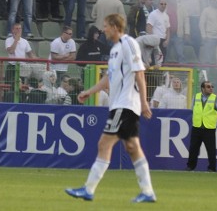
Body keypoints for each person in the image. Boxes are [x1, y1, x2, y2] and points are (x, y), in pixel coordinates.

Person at [66, 13, 157, 203]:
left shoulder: (128, 43)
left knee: (104, 144)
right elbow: (109, 77)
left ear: (115, 27)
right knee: (132, 147)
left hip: (125, 105)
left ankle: (88, 189)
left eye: (106, 26)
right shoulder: (115, 49)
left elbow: (140, 73)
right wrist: (89, 91)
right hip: (121, 105)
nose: (104, 29)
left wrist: (144, 102)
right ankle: (148, 191)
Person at [186, 80, 217, 172]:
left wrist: (212, 120)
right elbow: (193, 109)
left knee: (211, 149)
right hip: (197, 126)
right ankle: (190, 166)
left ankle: (212, 167)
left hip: (209, 128)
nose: (211, 88)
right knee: (193, 148)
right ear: (202, 88)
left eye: (212, 86)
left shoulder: (216, 98)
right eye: (208, 87)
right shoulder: (196, 97)